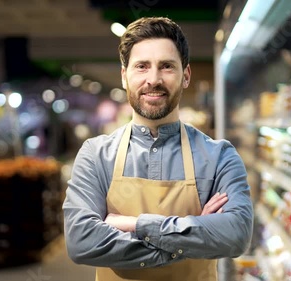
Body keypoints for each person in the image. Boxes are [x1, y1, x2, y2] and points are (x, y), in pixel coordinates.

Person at [63, 17, 253, 281]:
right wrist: (191, 240)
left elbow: (236, 235)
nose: (153, 79)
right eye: (142, 66)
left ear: (185, 76)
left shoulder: (220, 156)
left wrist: (136, 224)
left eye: (166, 67)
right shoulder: (96, 155)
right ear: (124, 76)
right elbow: (81, 241)